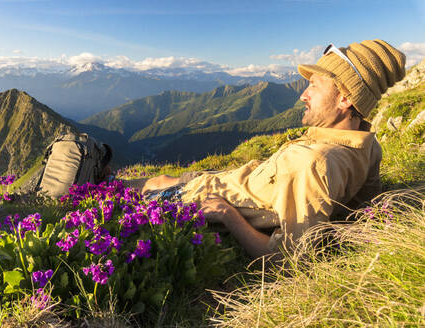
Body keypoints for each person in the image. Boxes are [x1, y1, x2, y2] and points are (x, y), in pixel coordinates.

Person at [125, 39, 406, 258]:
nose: (302, 94)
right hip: (230, 177)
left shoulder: (311, 163)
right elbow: (363, 210)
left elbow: (290, 257)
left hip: (214, 194)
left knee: (137, 189)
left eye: (314, 86)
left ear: (345, 99)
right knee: (162, 178)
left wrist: (228, 216)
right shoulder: (366, 144)